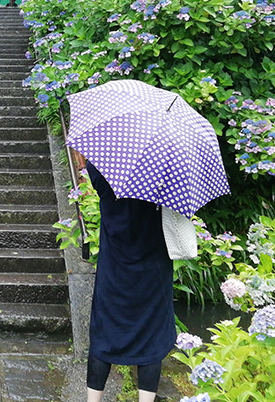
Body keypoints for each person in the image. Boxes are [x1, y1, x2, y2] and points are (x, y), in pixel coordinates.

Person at [85, 161, 175, 402]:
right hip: (153, 267)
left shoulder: (104, 165)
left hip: (113, 267)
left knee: (104, 334)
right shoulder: (165, 165)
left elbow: (93, 174)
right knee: (151, 337)